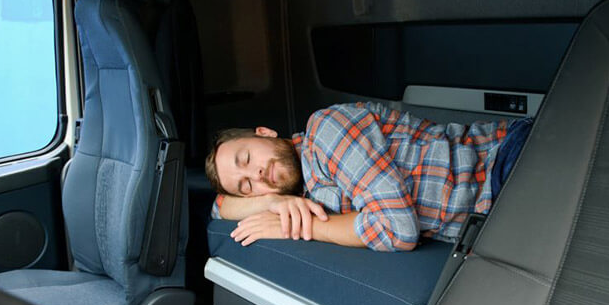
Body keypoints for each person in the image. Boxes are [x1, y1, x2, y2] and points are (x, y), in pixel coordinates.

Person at [205, 102, 532, 251]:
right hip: (490, 221)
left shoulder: (325, 131)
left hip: (508, 163)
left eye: (247, 158)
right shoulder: (299, 193)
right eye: (246, 185)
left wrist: (306, 228)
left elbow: (398, 231)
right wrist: (273, 202)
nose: (257, 174)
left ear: (265, 133)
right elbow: (219, 207)